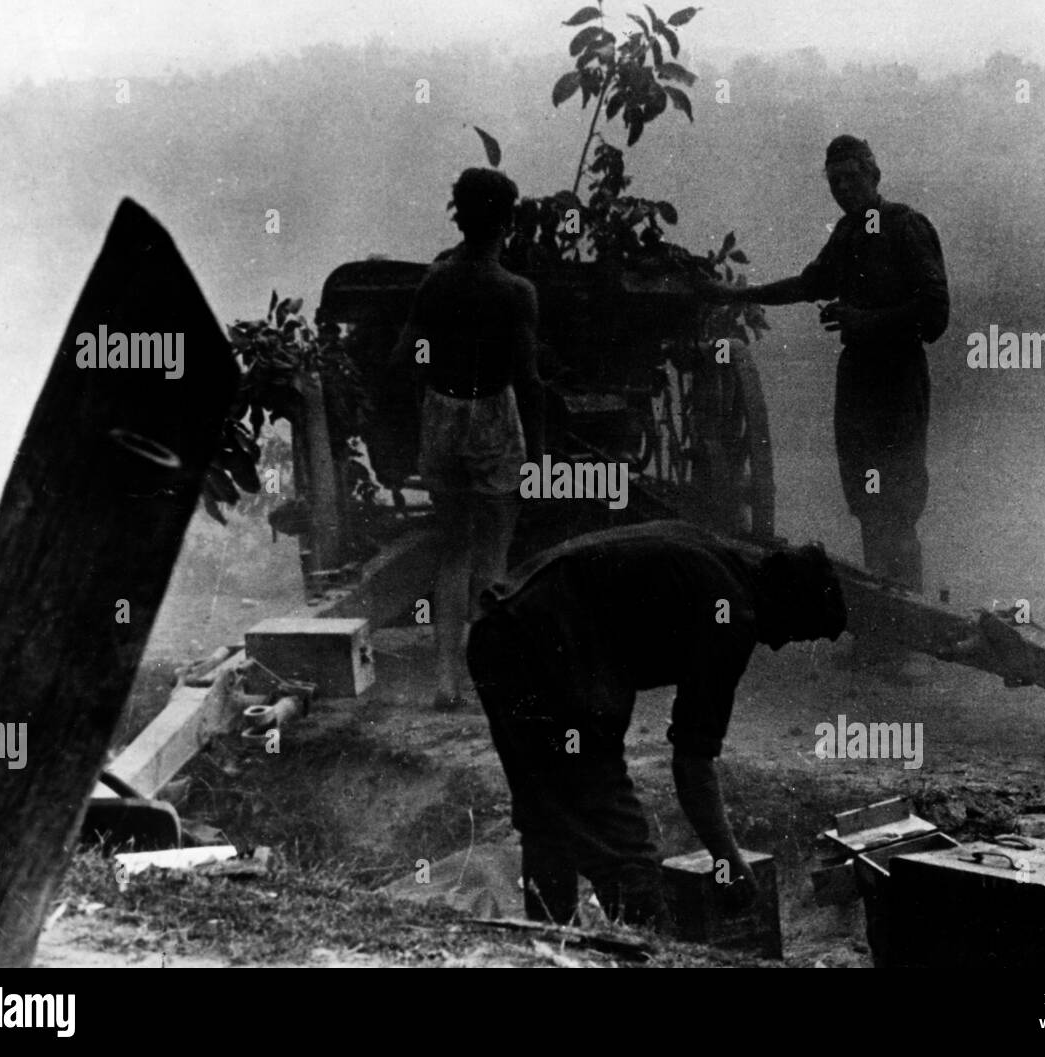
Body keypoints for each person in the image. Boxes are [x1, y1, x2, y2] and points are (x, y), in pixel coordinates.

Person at [466, 519, 847, 929]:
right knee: (623, 849)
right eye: (795, 633)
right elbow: (693, 763)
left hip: (498, 633)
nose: (776, 644)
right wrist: (728, 862)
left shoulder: (707, 551)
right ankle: (649, 952)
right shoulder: (732, 615)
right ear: (788, 603)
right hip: (549, 654)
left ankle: (545, 949)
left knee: (547, 816)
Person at [701, 136, 948, 601]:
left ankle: (909, 625)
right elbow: (808, 284)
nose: (843, 188)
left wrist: (864, 320)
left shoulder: (905, 226)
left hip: (896, 379)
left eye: (851, 178)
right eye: (834, 181)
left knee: (897, 500)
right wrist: (735, 295)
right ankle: (881, 628)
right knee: (867, 500)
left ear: (874, 175)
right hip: (858, 378)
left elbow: (936, 314)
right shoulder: (849, 233)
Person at [392, 168, 545, 710]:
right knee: (494, 551)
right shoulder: (517, 292)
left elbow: (407, 357)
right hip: (493, 415)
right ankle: (491, 679)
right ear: (507, 223)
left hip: (442, 411)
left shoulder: (437, 281)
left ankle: (444, 680)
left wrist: (434, 389)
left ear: (458, 215)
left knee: (452, 548)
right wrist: (541, 450)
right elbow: (527, 380)